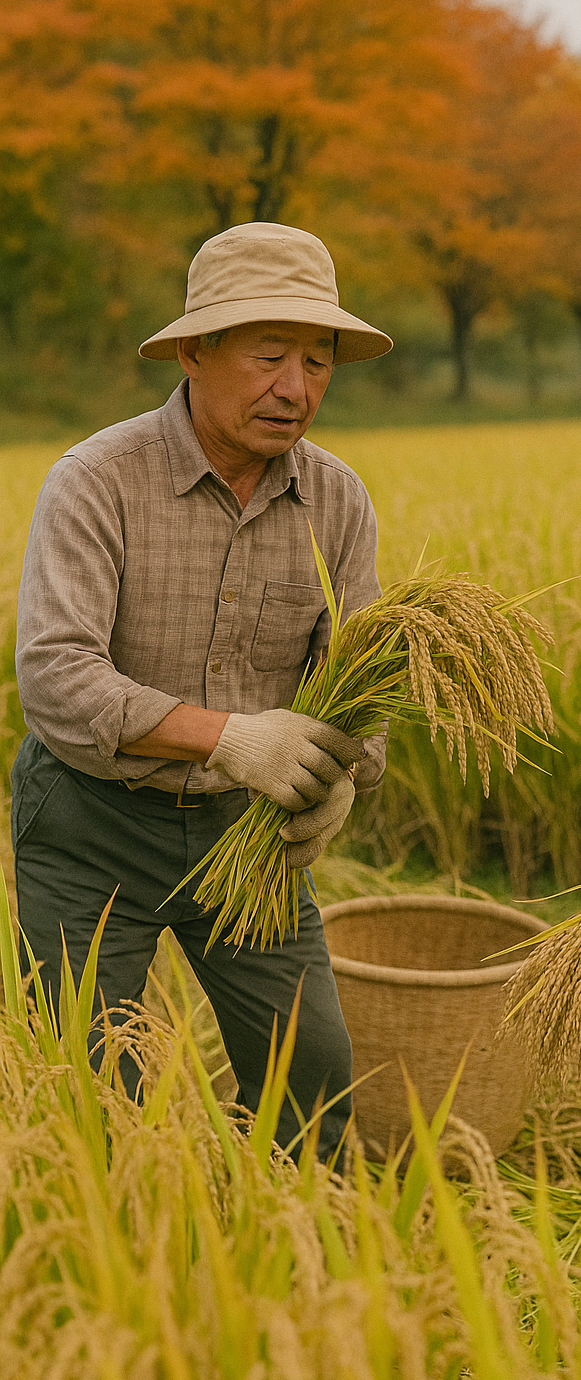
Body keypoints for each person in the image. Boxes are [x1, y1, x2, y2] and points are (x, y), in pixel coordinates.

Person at [13, 221, 393, 1162]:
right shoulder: (98, 481)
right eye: (268, 356)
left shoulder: (338, 500)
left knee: (312, 1074)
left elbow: (360, 681)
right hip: (92, 824)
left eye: (317, 361)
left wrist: (346, 776)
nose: (295, 388)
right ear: (194, 352)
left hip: (247, 835)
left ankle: (296, 1238)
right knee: (87, 1093)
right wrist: (229, 738)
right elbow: (58, 677)